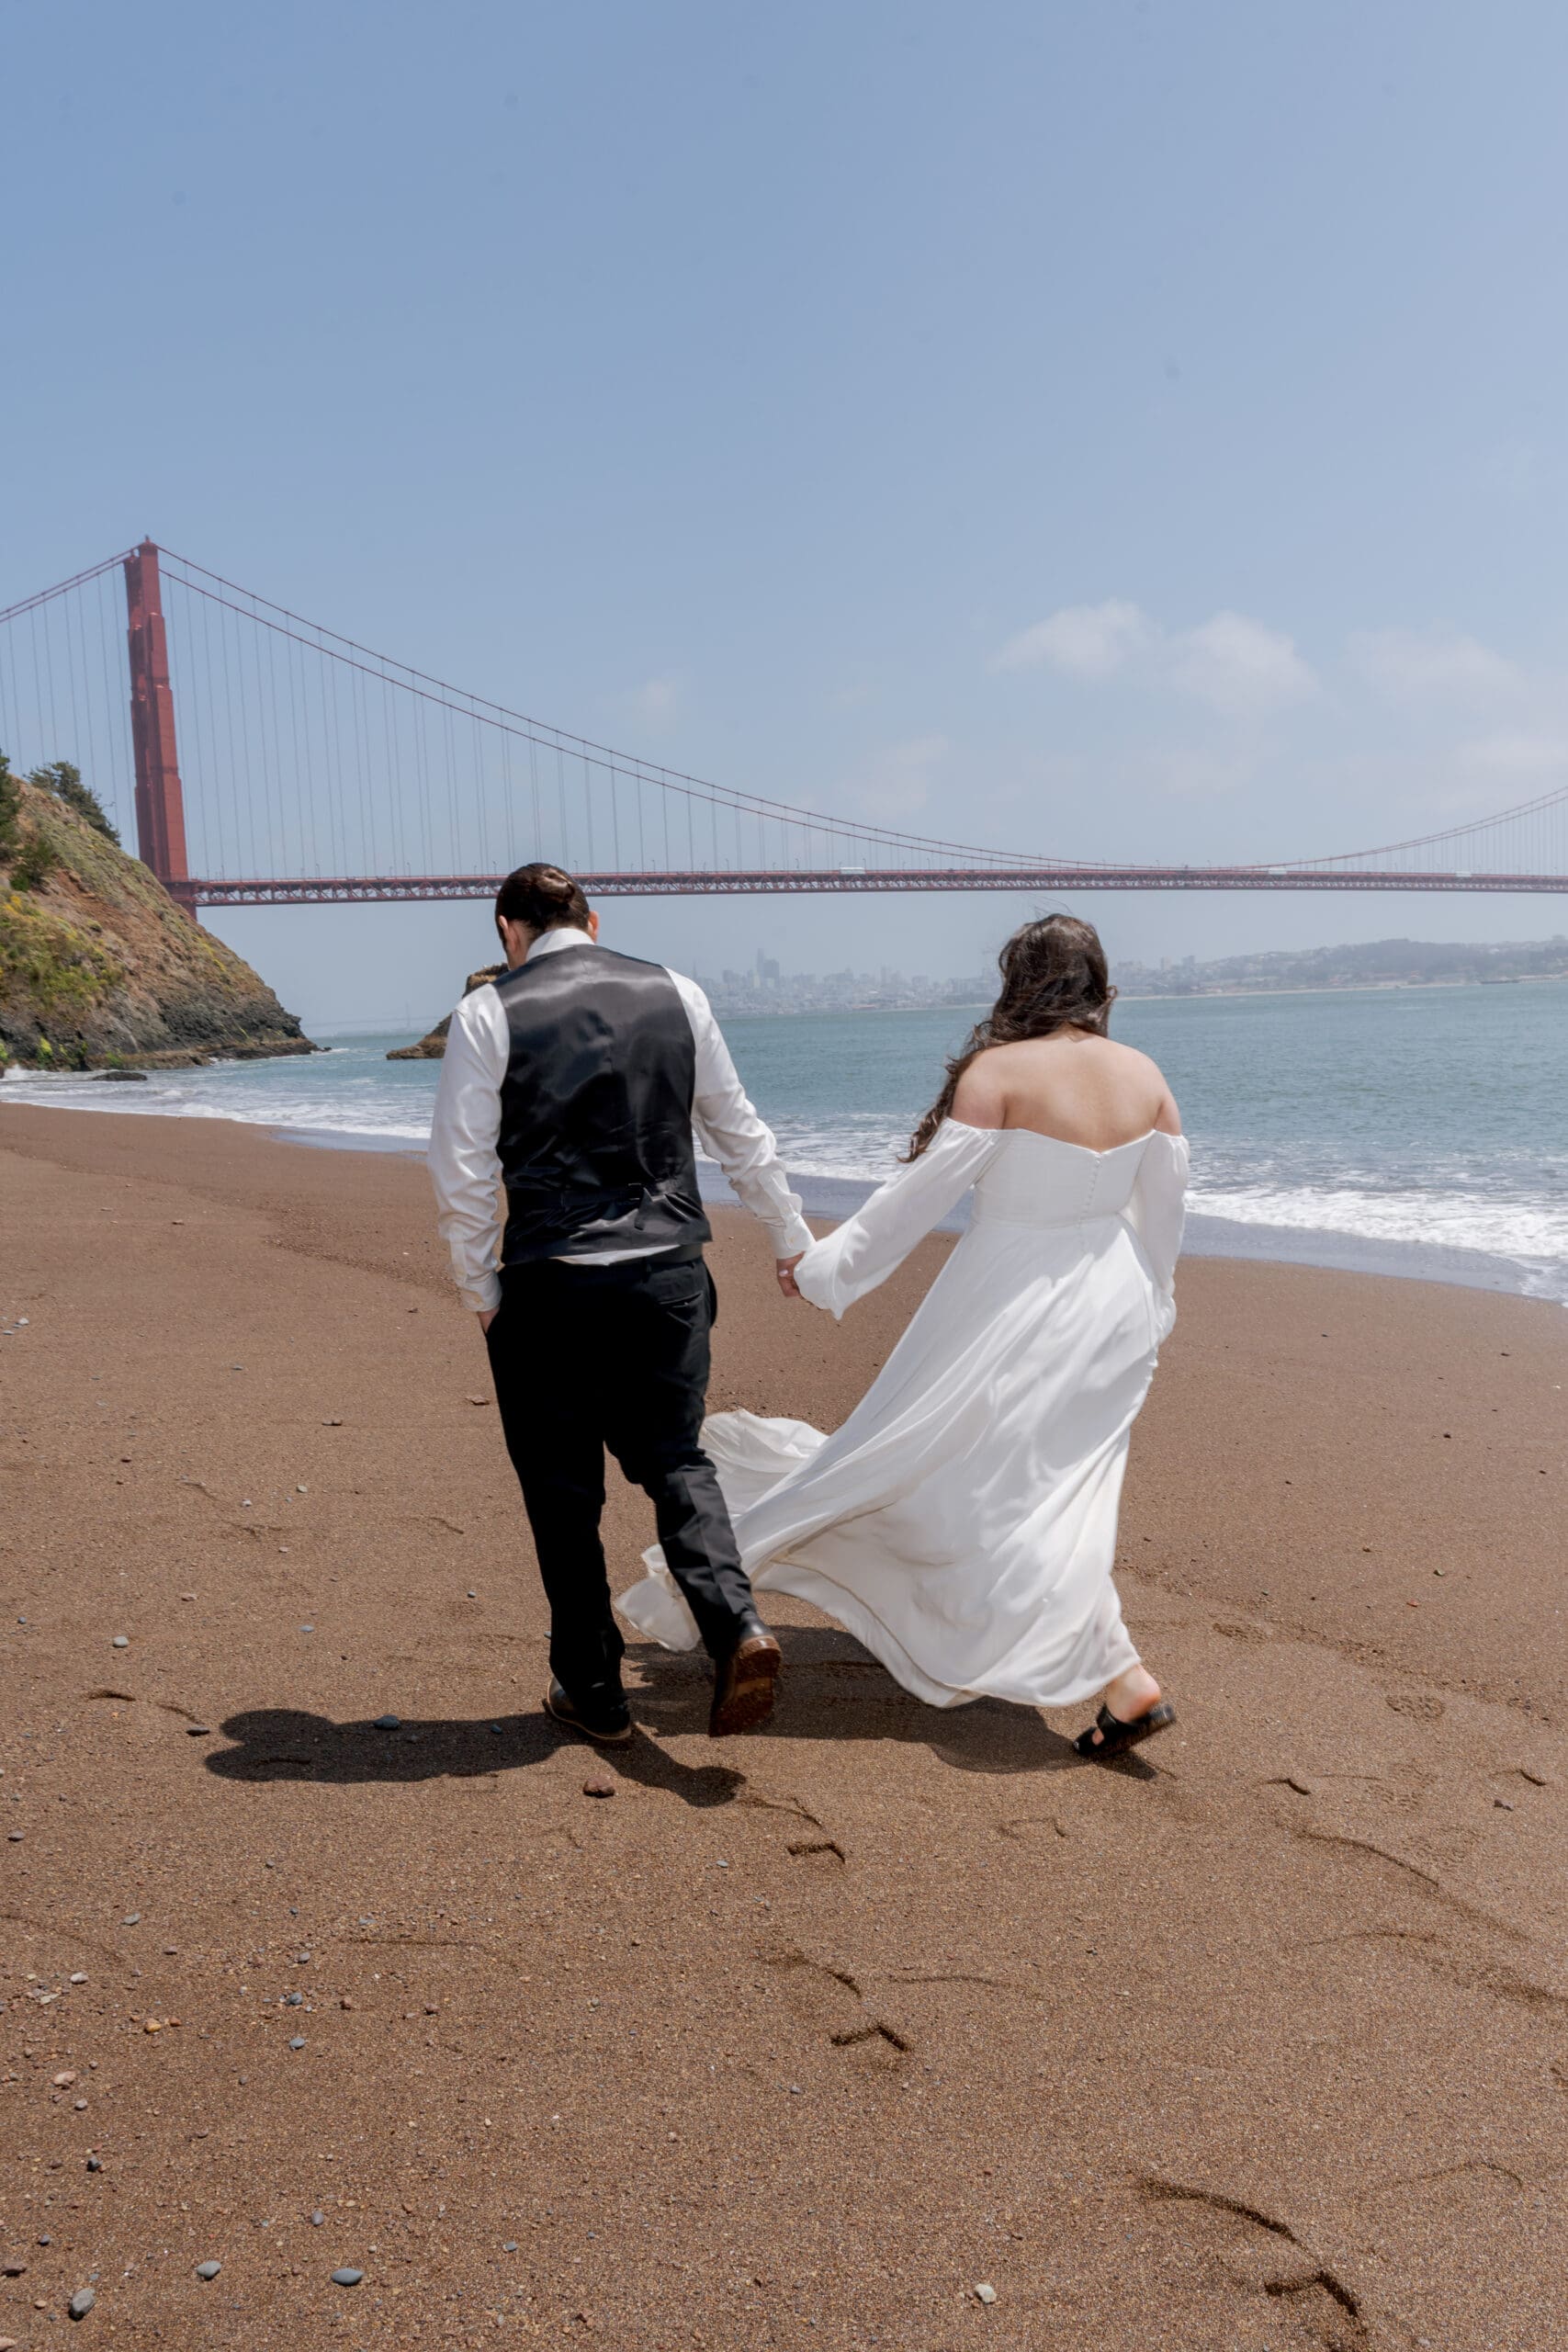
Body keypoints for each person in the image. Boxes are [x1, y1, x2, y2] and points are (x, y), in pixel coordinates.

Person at [618, 913, 1188, 1759]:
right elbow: (1166, 1209)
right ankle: (1119, 1677)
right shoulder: (1144, 1075)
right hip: (1115, 1306)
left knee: (951, 1471)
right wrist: (1155, 1301)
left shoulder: (998, 1072)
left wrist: (823, 1267)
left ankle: (1112, 1670)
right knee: (1054, 1486)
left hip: (1009, 1303)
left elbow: (916, 1202)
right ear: (1097, 982)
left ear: (1018, 983)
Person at [427, 863, 813, 1746]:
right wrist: (788, 1234)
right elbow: (736, 1128)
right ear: (594, 922)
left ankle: (594, 1690)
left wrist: (478, 1286)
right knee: (678, 1460)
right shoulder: (677, 992)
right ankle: (736, 1628)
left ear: (505, 930)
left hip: (551, 1281)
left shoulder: (488, 1012)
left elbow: (460, 1171)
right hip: (667, 1275)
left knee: (563, 1495)